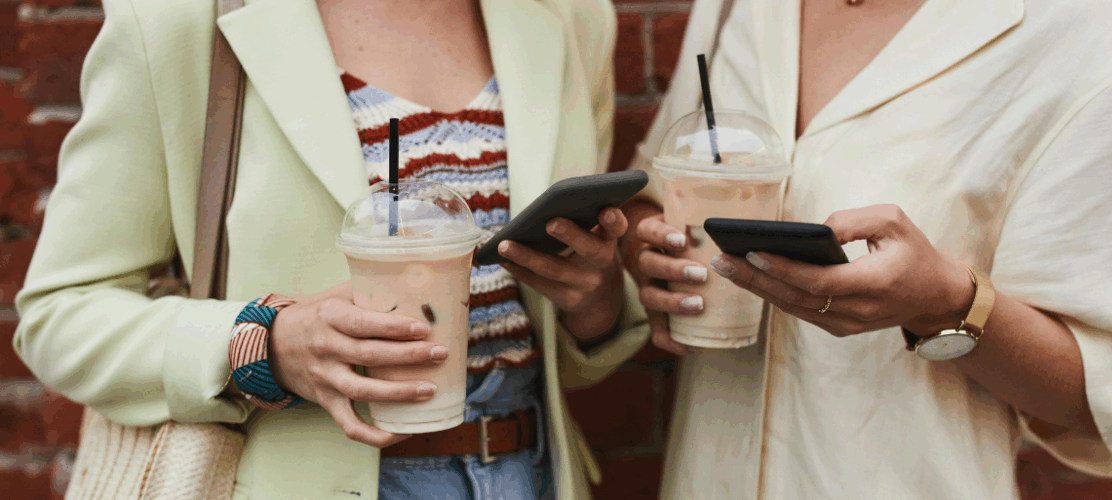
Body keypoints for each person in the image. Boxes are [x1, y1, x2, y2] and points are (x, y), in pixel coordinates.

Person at [13, 0, 649, 498]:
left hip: (526, 472)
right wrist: (265, 345)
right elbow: (59, 314)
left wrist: (593, 301)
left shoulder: (571, 17)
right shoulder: (181, 20)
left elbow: (561, 356)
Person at [622, 0, 1112, 498]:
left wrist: (946, 305)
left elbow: (1100, 396)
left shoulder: (1083, 31)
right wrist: (651, 255)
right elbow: (653, 193)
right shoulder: (735, 7)